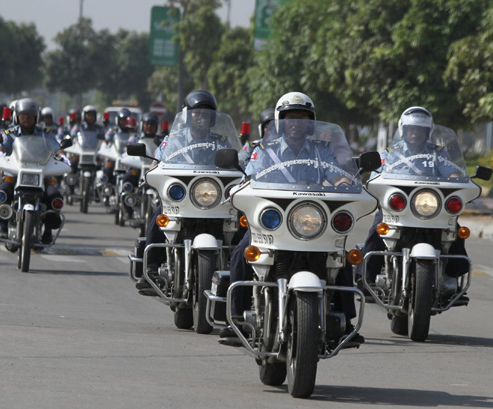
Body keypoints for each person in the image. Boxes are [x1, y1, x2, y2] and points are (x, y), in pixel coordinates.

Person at [220, 92, 359, 344]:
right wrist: (240, 187)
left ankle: (346, 321)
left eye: (302, 118)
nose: (296, 123)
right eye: (290, 118)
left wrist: (344, 181)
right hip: (272, 223)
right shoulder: (264, 151)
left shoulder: (320, 152)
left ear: (311, 122)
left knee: (340, 256)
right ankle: (235, 318)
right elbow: (249, 177)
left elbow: (336, 172)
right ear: (279, 121)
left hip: (311, 221)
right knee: (242, 251)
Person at [137, 89, 231, 290]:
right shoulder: (173, 141)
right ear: (188, 116)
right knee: (157, 215)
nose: (201, 118)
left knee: (238, 225)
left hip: (211, 203)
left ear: (212, 118)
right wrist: (152, 176)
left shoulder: (220, 142)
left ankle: (233, 270)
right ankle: (151, 267)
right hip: (180, 201)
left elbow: (235, 167)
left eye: (206, 114)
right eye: (197, 113)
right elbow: (156, 165)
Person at [360, 106, 466, 284]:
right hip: (397, 207)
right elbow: (375, 177)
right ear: (403, 130)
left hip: (431, 207)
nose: (416, 133)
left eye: (420, 129)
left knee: (454, 228)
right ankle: (366, 277)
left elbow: (453, 173)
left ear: (428, 132)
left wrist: (457, 180)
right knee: (378, 226)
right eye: (411, 129)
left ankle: (452, 274)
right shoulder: (390, 153)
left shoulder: (438, 153)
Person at [0, 98, 69, 244]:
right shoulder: (11, 133)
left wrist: (63, 157)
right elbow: (0, 144)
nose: (26, 118)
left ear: (36, 116)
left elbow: (56, 146)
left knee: (54, 196)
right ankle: (2, 226)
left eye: (30, 114)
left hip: (40, 174)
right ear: (17, 116)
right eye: (23, 114)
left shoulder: (44, 134)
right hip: (15, 174)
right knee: (3, 193)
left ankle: (47, 231)